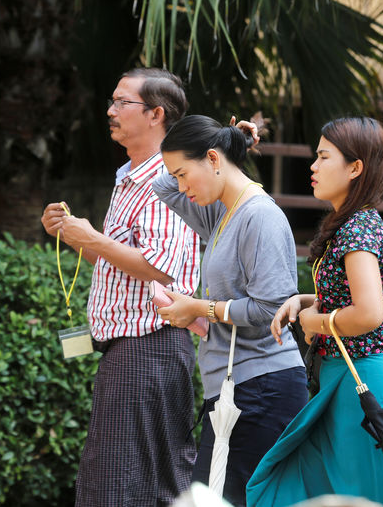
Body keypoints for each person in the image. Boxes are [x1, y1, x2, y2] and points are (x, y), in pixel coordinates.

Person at [40, 68, 201, 507]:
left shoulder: (166, 180)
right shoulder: (132, 174)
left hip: (148, 346)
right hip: (136, 349)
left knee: (113, 485)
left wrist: (89, 236)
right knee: (142, 484)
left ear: (156, 114)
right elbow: (125, 265)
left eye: (121, 103)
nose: (110, 111)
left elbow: (159, 268)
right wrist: (74, 236)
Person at [246, 116, 383, 507]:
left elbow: (370, 313)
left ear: (355, 168)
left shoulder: (358, 229)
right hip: (342, 383)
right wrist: (306, 301)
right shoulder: (351, 224)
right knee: (283, 489)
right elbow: (349, 299)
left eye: (323, 157)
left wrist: (315, 321)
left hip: (361, 387)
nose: (313, 167)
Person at [151, 115, 307, 507]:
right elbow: (161, 184)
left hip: (261, 387)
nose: (182, 186)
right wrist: (233, 137)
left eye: (186, 173)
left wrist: (200, 307)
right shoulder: (221, 211)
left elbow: (275, 305)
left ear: (212, 159)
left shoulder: (259, 215)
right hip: (236, 387)